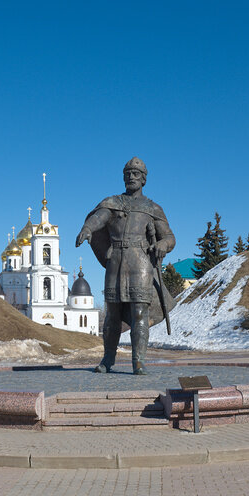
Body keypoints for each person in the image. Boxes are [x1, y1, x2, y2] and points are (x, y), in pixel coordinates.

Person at [76, 157, 175, 375]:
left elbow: (169, 237)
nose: (131, 177)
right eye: (128, 173)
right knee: (112, 314)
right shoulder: (112, 203)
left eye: (136, 174)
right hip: (116, 261)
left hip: (140, 263)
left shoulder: (152, 208)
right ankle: (108, 358)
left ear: (144, 179)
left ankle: (138, 361)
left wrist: (162, 245)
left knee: (139, 311)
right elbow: (99, 218)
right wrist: (87, 228)